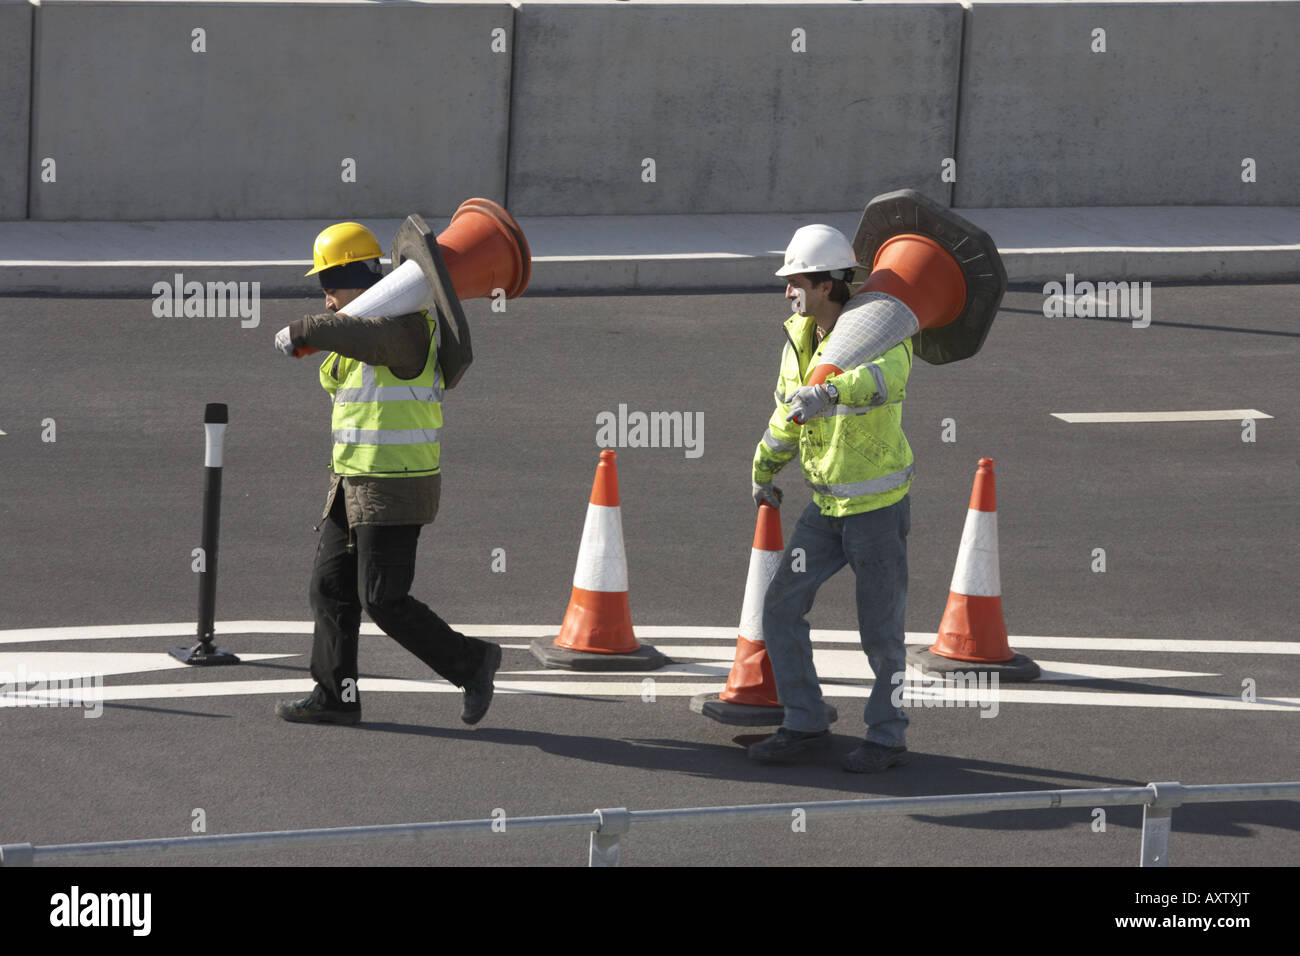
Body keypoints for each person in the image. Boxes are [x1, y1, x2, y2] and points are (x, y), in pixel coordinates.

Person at [271, 221, 501, 726]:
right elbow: (339, 362)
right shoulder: (370, 332)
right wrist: (325, 334)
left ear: (357, 277)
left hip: (394, 487)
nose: (328, 299)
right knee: (330, 587)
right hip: (352, 483)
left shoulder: (407, 330)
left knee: (384, 600)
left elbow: (351, 335)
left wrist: (307, 329)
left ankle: (473, 661)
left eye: (329, 286)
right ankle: (337, 695)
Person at [748, 224, 914, 772]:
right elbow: (787, 409)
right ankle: (805, 722)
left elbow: (886, 380)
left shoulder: (883, 326)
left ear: (828, 284)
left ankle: (887, 738)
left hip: (876, 509)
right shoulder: (797, 335)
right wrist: (764, 465)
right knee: (780, 608)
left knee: (880, 634)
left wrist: (831, 390)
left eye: (796, 281)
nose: (788, 292)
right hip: (825, 507)